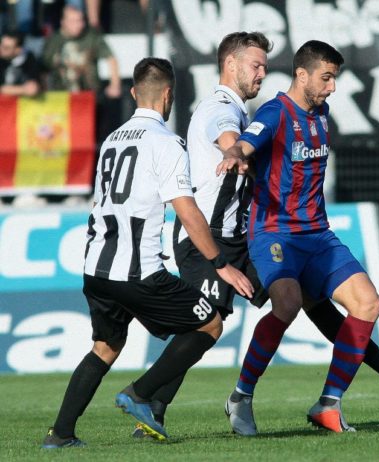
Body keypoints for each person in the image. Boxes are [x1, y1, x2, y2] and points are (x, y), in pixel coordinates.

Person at [131, 34, 379, 438]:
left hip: (307, 235)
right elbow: (241, 139)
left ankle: (340, 397)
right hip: (239, 234)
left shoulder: (317, 112)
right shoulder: (255, 110)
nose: (332, 87)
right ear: (302, 75)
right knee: (214, 323)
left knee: (357, 303)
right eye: (326, 78)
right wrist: (235, 153)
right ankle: (167, 401)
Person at [41, 56, 254, 449]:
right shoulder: (166, 143)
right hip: (139, 272)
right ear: (168, 95)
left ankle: (61, 434)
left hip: (96, 268)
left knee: (105, 347)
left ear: (134, 92)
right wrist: (220, 264)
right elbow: (187, 211)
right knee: (209, 324)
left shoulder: (111, 141)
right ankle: (140, 394)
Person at [41, 4, 121, 146]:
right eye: (73, 21)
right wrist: (45, 93)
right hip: (62, 101)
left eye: (80, 20)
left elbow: (111, 58)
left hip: (90, 99)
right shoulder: (54, 40)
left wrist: (115, 85)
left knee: (93, 140)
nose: (79, 25)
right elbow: (43, 68)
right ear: (63, 22)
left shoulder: (91, 36)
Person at [0, 30, 40, 96]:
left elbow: (32, 90)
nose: (0, 49)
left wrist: (5, 89)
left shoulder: (29, 60)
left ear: (18, 50)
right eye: (1, 45)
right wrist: (22, 89)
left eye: (6, 48)